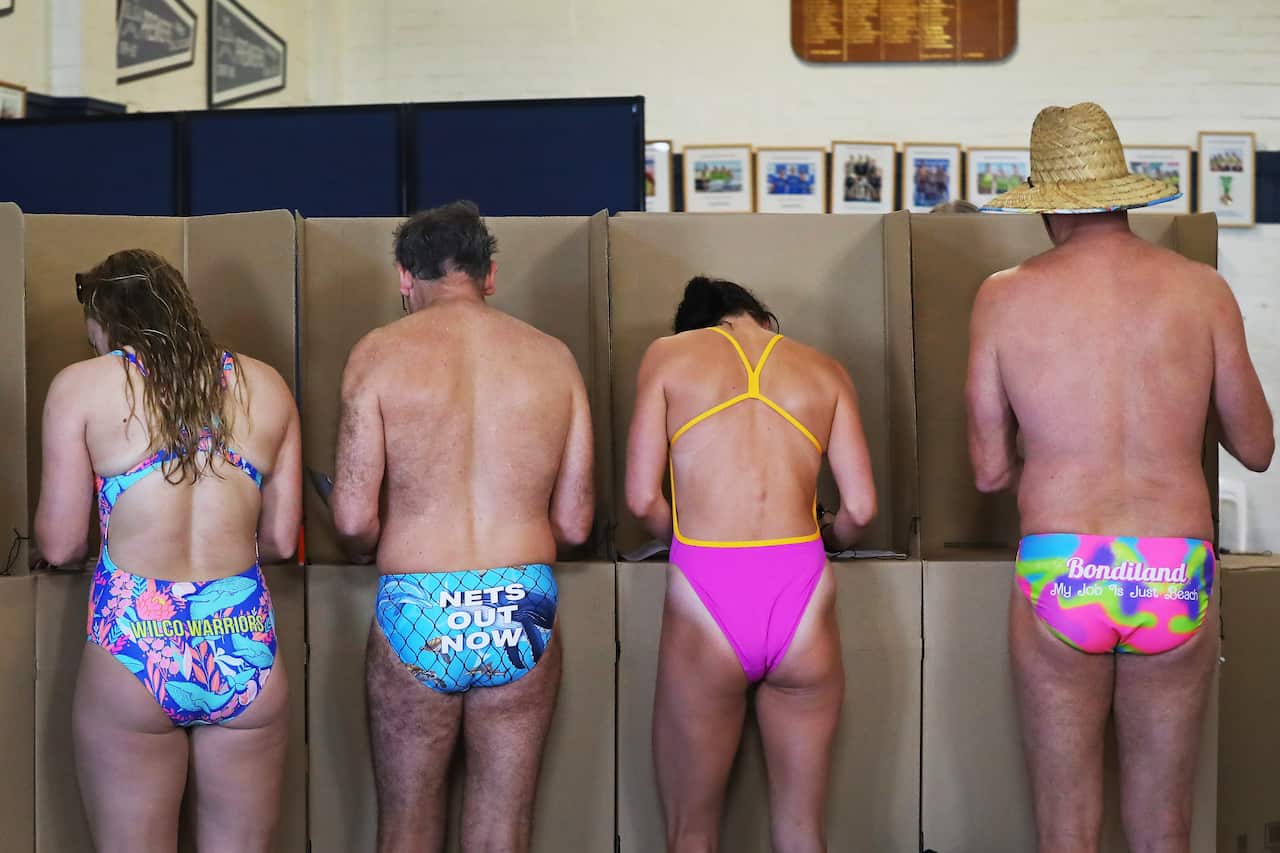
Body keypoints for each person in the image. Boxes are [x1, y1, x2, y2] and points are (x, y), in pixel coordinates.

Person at [969, 102, 1274, 851]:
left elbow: (986, 469)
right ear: (1124, 196)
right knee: (1163, 829)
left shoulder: (1004, 295)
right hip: (1174, 571)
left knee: (1067, 830)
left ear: (1047, 209)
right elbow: (1258, 446)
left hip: (1062, 569)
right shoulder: (1203, 289)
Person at [330, 200, 594, 853]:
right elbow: (576, 520)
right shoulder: (553, 358)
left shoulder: (378, 355)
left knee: (409, 825)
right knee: (504, 826)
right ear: (490, 273)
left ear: (404, 276)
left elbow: (354, 517)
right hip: (519, 603)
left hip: (419, 608)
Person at [35, 249, 302, 851]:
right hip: (243, 645)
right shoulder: (264, 384)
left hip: (136, 645)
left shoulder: (81, 386)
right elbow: (283, 541)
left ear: (104, 319)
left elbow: (59, 542)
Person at [625, 277, 877, 853]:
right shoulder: (825, 370)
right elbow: (862, 508)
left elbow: (642, 501)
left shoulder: (669, 356)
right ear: (761, 315)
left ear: (695, 324)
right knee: (800, 828)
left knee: (692, 831)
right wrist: (828, 533)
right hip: (803, 588)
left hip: (708, 586)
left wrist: (688, 538)